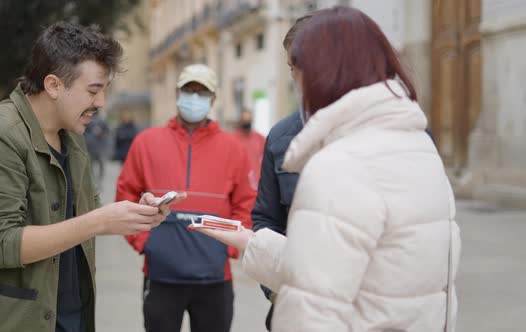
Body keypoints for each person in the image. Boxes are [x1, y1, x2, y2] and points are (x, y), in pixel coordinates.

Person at [191, 6, 461, 332]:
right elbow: (368, 270)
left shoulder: (337, 164)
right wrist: (252, 241)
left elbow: (316, 303)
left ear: (324, 71)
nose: (296, 83)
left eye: (297, 70)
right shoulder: (419, 145)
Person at [0, 22, 185, 332]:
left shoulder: (72, 133)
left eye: (104, 90)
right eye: (93, 90)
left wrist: (135, 212)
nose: (101, 102)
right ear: (53, 85)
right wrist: (100, 221)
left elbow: (80, 215)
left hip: (70, 315)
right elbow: (0, 243)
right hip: (7, 320)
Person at [115, 63, 256, 332]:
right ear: (177, 93)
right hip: (161, 276)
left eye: (202, 93)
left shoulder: (233, 149)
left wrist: (227, 248)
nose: (194, 97)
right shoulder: (146, 142)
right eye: (189, 90)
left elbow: (246, 204)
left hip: (215, 279)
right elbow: (126, 194)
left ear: (213, 99)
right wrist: (146, 242)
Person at [250, 13, 312, 331]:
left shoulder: (389, 131)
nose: (298, 77)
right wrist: (274, 291)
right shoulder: (280, 137)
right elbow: (265, 220)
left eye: (304, 64)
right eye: (292, 67)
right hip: (292, 309)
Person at [231, 110, 266, 189]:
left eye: (249, 120)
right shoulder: (232, 139)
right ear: (240, 121)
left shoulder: (260, 139)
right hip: (239, 183)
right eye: (244, 120)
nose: (247, 123)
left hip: (257, 184)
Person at [84, 111, 110, 183]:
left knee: (99, 165)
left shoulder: (102, 120)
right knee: (91, 166)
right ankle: (94, 182)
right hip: (91, 147)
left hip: (98, 147)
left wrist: (101, 133)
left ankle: (99, 181)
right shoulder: (87, 120)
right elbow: (84, 132)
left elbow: (107, 132)